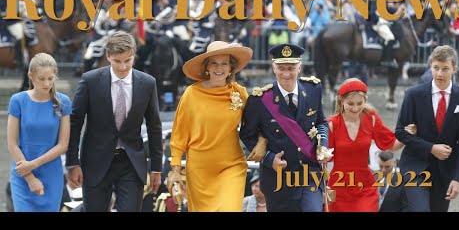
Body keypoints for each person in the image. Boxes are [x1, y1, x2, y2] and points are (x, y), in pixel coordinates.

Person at [66, 31, 163, 212]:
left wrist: (156, 168)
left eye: (128, 60)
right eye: (117, 61)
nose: (123, 67)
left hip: (131, 163)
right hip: (95, 161)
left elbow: (154, 127)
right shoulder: (90, 81)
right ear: (108, 56)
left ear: (134, 55)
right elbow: (75, 122)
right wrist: (72, 162)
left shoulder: (148, 83)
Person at [240, 43, 330, 212]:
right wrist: (268, 158)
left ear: (299, 67)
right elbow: (247, 135)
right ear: (273, 68)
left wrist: (322, 147)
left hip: (309, 173)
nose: (286, 73)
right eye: (281, 68)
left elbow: (321, 122)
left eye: (291, 67)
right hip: (277, 179)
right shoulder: (260, 100)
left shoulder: (313, 89)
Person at [166, 40, 254, 211]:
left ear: (231, 67)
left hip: (232, 166)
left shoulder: (240, 93)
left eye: (224, 63)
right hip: (199, 172)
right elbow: (179, 136)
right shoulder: (191, 94)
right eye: (214, 63)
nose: (219, 68)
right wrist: (175, 169)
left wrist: (263, 143)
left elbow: (256, 125)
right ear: (206, 66)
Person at [395, 45, 459, 212]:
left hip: (445, 172)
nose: (439, 74)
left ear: (454, 69)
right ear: (430, 66)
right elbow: (400, 132)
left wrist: (458, 179)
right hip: (415, 167)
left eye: (445, 69)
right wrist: (431, 148)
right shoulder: (413, 94)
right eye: (436, 68)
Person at [326, 78, 414, 212]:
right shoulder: (331, 124)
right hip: (338, 186)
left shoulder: (371, 118)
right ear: (341, 100)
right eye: (350, 103)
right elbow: (325, 159)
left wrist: (408, 135)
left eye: (359, 103)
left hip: (365, 186)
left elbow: (391, 145)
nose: (355, 108)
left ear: (365, 101)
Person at [7, 53, 71, 211]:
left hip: (51, 174)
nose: (47, 83)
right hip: (22, 174)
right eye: (41, 79)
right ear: (30, 76)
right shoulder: (18, 100)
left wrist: (33, 164)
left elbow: (63, 145)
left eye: (50, 78)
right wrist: (29, 177)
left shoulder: (63, 102)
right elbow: (12, 144)